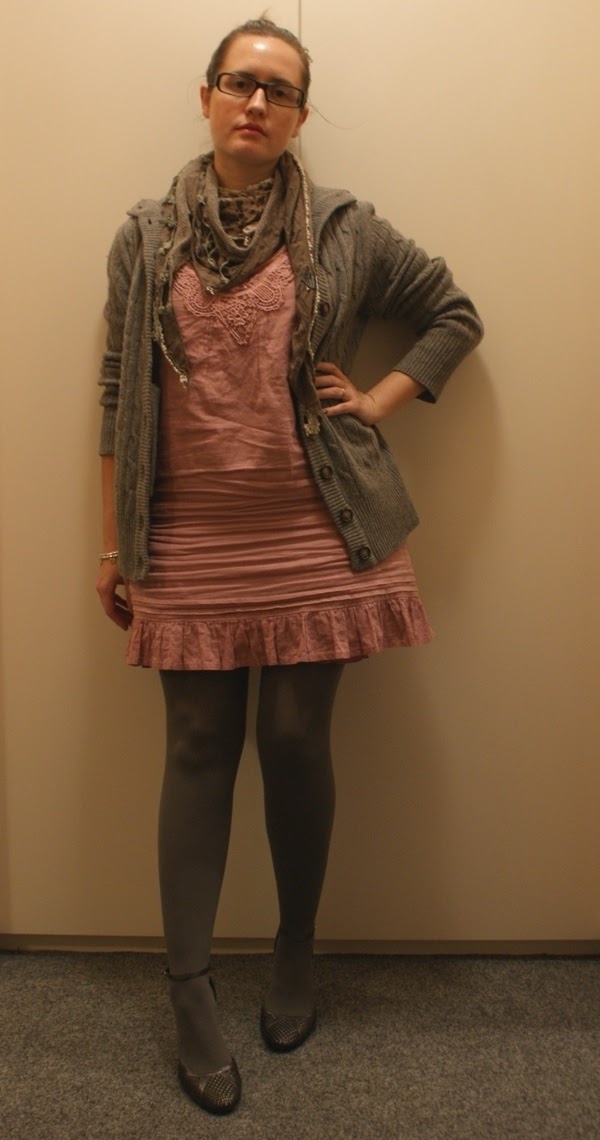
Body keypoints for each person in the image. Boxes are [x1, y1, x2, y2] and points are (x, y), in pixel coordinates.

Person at [96, 17, 483, 1116]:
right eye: (238, 82)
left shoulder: (345, 227)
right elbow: (118, 386)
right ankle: (189, 992)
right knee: (196, 747)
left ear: (302, 114)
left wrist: (380, 398)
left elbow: (452, 313)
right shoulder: (144, 234)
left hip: (322, 527)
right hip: (188, 530)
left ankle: (295, 948)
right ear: (206, 96)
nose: (256, 103)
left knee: (298, 740)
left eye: (279, 89)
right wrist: (115, 539)